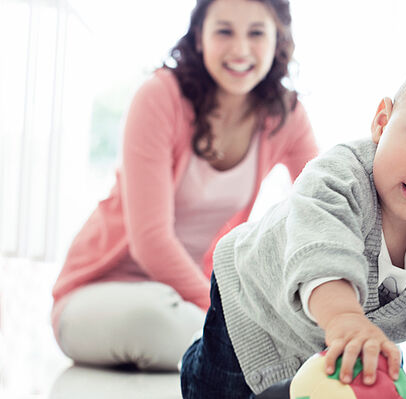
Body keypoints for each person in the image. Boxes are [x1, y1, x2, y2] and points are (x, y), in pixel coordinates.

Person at [180, 46, 406, 399]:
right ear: (382, 122)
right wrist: (345, 318)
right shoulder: (337, 177)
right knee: (214, 389)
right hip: (252, 310)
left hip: (331, 337)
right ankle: (194, 356)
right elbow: (321, 254)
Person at [51, 0, 318, 371]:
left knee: (280, 327)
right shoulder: (161, 96)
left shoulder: (285, 114)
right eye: (224, 30)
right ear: (199, 37)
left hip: (187, 298)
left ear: (278, 39)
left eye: (256, 33)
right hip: (99, 293)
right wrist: (227, 316)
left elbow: (318, 208)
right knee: (157, 319)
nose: (240, 49)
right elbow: (151, 241)